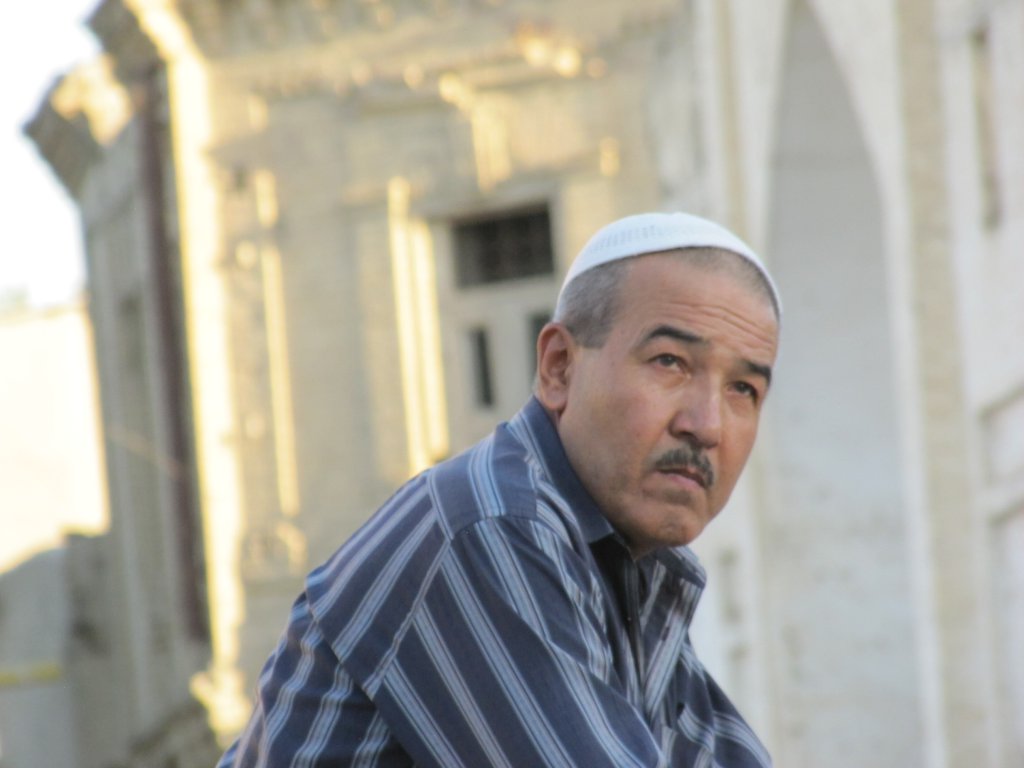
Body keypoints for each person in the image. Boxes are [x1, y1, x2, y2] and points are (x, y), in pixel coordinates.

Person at [217, 211, 782, 767]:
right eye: (671, 362)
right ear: (559, 368)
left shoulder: (631, 567)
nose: (707, 425)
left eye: (743, 389)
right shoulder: (492, 527)